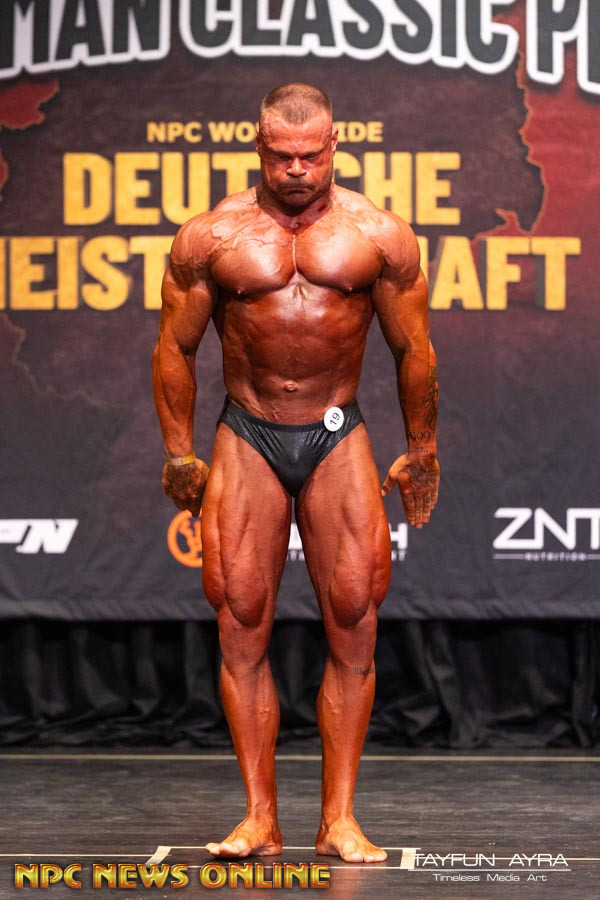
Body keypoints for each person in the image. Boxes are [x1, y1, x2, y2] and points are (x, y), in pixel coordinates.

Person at [152, 83, 440, 864]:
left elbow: (413, 349)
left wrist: (422, 448)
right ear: (258, 146)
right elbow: (175, 347)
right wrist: (178, 450)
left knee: (355, 618)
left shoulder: (378, 235)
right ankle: (259, 819)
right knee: (240, 620)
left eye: (311, 155)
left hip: (337, 432)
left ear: (335, 144)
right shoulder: (211, 236)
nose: (297, 170)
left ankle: (339, 819)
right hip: (246, 432)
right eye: (282, 156)